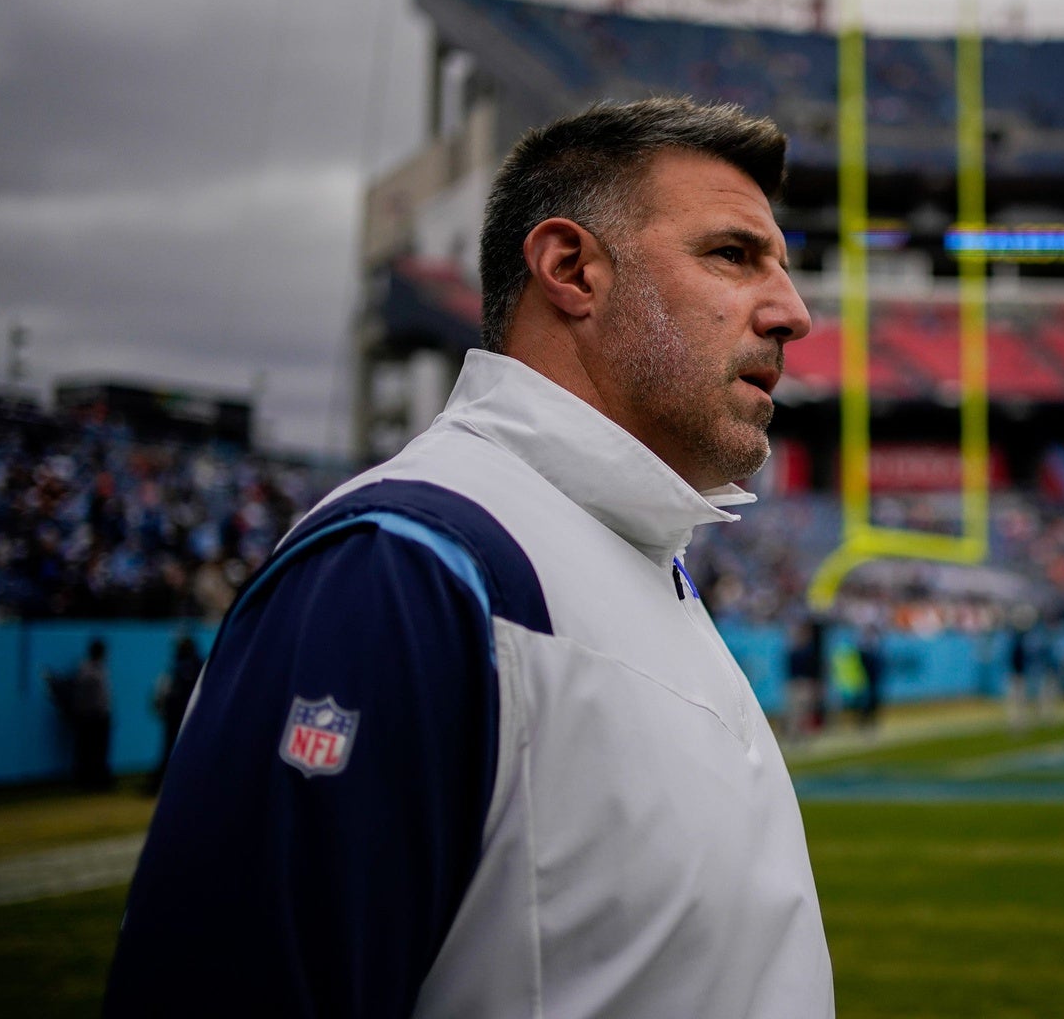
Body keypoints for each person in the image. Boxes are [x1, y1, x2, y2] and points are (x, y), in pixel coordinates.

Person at [106, 99, 832, 1017]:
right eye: (734, 255)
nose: (794, 311)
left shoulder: (633, 552)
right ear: (572, 268)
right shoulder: (403, 568)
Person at [48, 638, 113, 789]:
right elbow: (87, 695)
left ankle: (96, 778)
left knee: (96, 750)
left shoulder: (96, 668)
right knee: (89, 750)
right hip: (91, 716)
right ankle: (88, 779)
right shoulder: (89, 670)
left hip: (97, 715)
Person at [148, 635, 203, 794]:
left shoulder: (188, 666)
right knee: (174, 750)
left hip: (182, 715)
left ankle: (162, 784)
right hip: (183, 716)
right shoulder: (189, 665)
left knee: (174, 750)